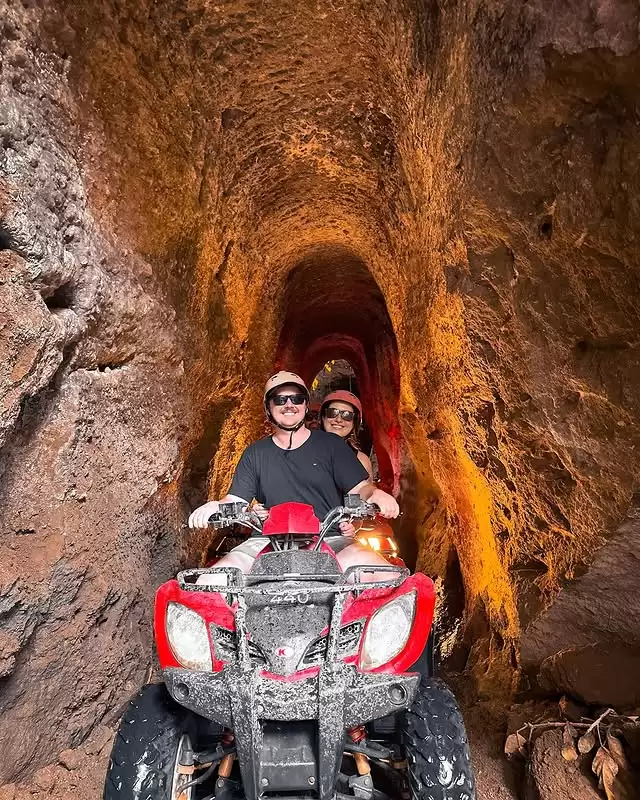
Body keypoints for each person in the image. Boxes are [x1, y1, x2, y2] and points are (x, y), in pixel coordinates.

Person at [188, 370, 399, 576]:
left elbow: (360, 487)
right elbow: (236, 499)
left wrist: (375, 494)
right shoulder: (255, 453)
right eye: (280, 400)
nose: (289, 405)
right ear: (269, 408)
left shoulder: (332, 446)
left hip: (329, 538)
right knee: (213, 579)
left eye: (296, 399)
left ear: (306, 405)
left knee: (383, 575)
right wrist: (216, 505)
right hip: (265, 541)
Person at [319, 390, 373, 479]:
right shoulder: (305, 450)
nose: (339, 420)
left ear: (354, 423)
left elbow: (364, 492)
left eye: (347, 415)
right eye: (332, 412)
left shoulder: (361, 461)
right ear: (323, 417)